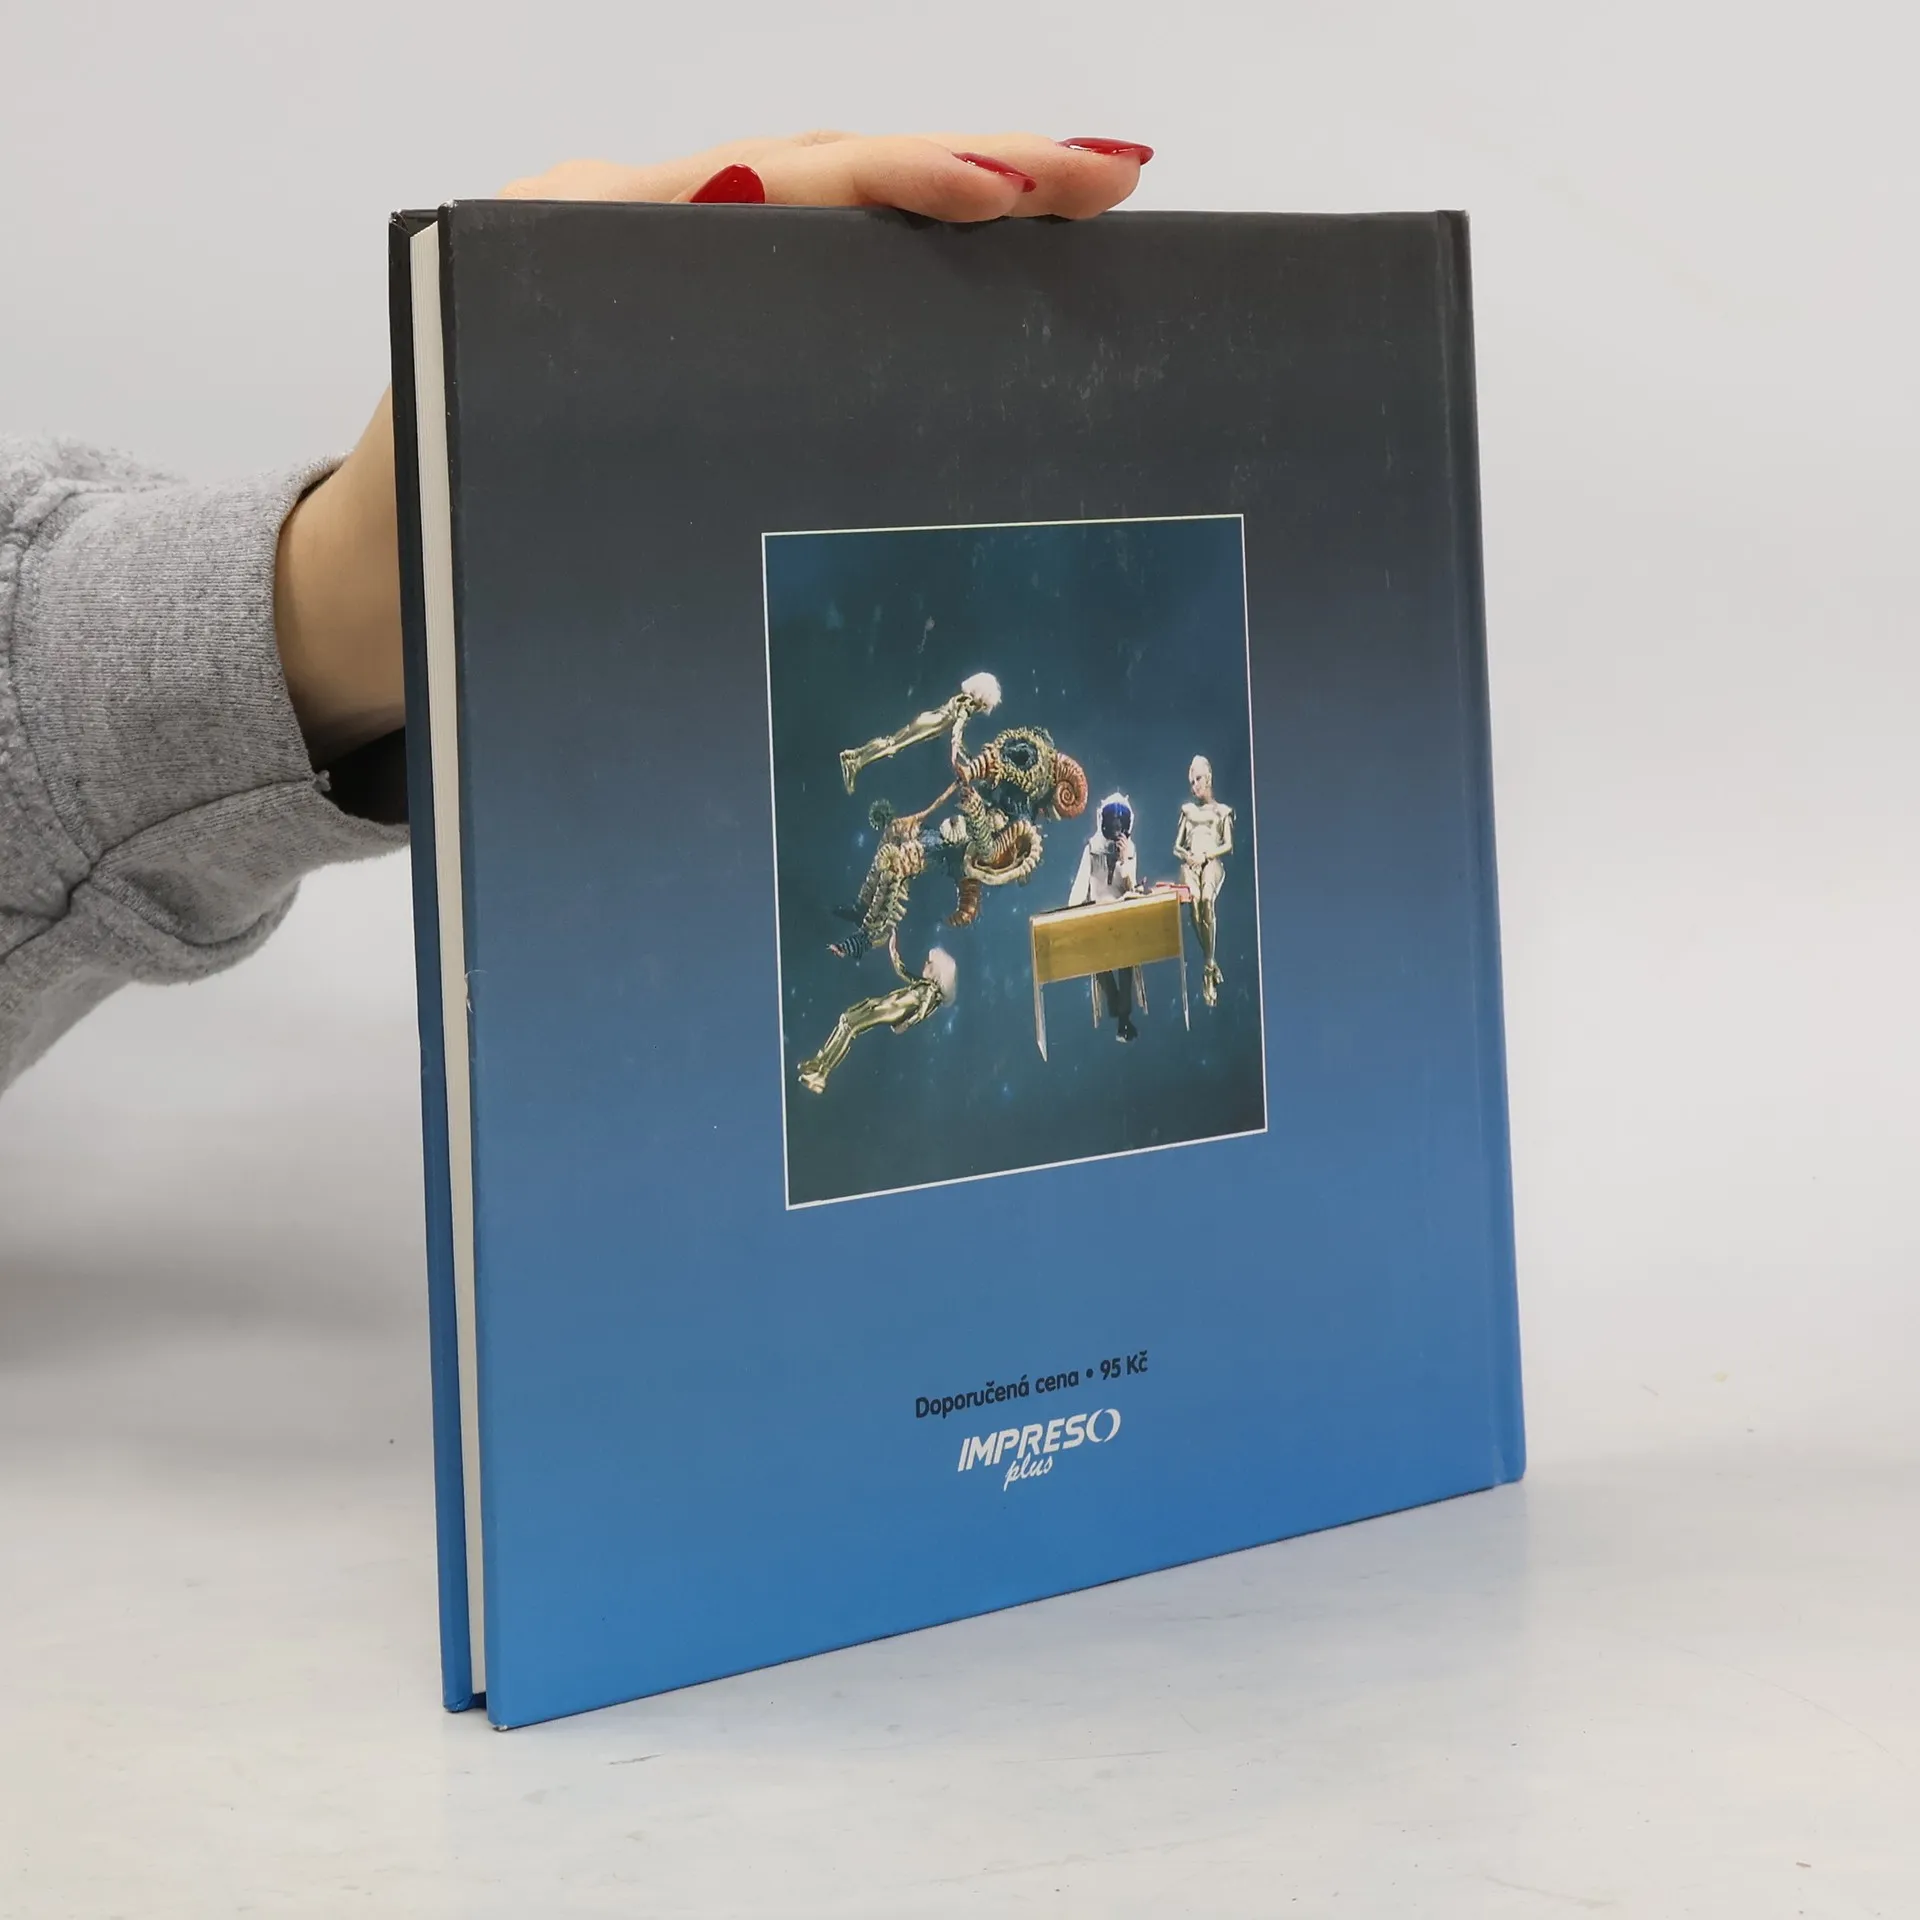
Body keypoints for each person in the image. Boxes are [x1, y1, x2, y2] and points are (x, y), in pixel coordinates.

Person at [0, 132, 1151, 1094]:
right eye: (1072, 797)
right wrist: (293, 618)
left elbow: (998, 842)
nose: (1073, 804)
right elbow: (973, 774)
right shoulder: (1017, 754)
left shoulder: (1042, 817)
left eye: (1074, 805)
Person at [1067, 792, 1144, 1042]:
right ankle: (1117, 1007)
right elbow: (1081, 884)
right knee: (1097, 958)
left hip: (1121, 914)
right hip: (1097, 914)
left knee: (1126, 958)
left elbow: (1132, 887)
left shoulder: (1130, 850)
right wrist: (1071, 913)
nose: (1116, 826)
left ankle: (1123, 1015)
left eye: (1120, 822)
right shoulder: (1092, 849)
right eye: (1112, 821)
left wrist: (1124, 861)